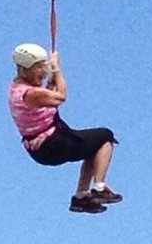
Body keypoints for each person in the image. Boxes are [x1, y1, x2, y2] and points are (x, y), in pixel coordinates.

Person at [8, 43, 121, 214]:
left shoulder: (17, 88)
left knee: (92, 146)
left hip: (45, 144)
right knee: (105, 136)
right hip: (51, 145)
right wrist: (57, 69)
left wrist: (51, 79)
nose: (44, 71)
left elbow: (46, 98)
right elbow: (61, 97)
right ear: (25, 69)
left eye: (44, 66)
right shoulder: (29, 94)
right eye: (39, 68)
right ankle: (98, 188)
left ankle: (82, 197)